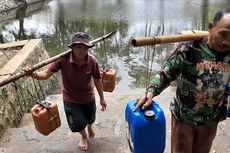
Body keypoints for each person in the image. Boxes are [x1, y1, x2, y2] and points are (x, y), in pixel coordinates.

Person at [133, 8, 230, 153]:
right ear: (211, 28)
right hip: (184, 118)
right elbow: (166, 73)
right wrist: (151, 92)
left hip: (211, 120)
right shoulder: (189, 49)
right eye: (223, 34)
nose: (227, 42)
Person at [23, 32, 107, 151]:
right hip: (70, 98)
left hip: (88, 96)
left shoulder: (92, 61)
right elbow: (46, 74)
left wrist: (102, 98)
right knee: (77, 123)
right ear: (72, 47)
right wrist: (32, 74)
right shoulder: (62, 60)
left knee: (90, 118)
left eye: (85, 48)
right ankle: (83, 136)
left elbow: (97, 80)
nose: (82, 51)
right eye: (78, 47)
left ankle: (89, 126)